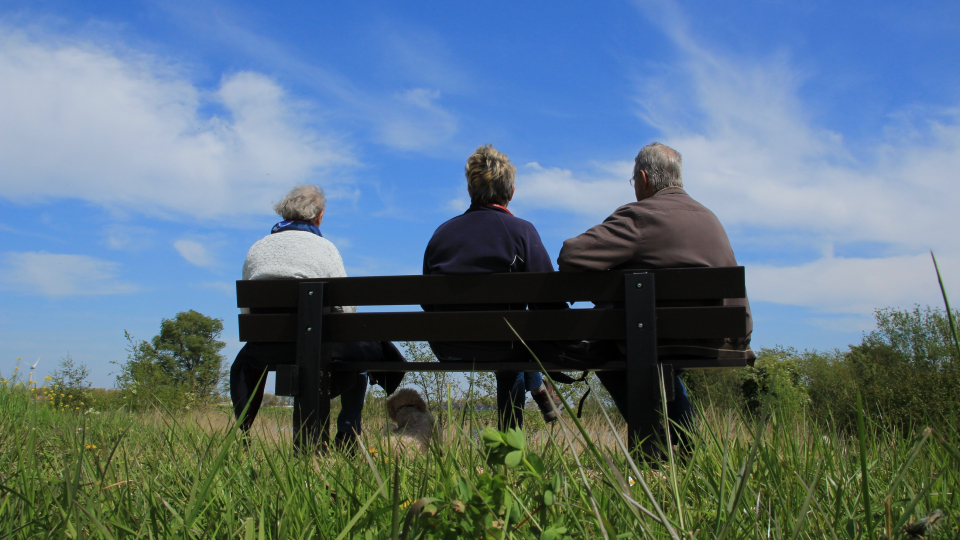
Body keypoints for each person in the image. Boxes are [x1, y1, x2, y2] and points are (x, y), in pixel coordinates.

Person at [557, 142, 754, 448]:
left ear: (644, 179)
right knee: (649, 348)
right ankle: (687, 447)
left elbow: (571, 255)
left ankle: (653, 444)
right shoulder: (710, 218)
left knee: (614, 351)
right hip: (720, 338)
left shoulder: (640, 217)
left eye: (634, 180)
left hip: (658, 339)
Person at [231, 185, 404, 449]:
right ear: (319, 216)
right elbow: (347, 311)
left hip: (268, 348)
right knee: (357, 356)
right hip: (319, 346)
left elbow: (248, 312)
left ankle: (245, 437)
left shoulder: (257, 249)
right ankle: (348, 433)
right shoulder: (324, 249)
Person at [422, 145, 563, 430]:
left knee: (511, 340)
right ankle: (511, 440)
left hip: (447, 345)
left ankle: (534, 391)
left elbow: (428, 301)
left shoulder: (442, 234)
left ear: (470, 191)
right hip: (504, 347)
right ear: (511, 193)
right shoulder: (521, 231)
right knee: (514, 344)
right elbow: (549, 300)